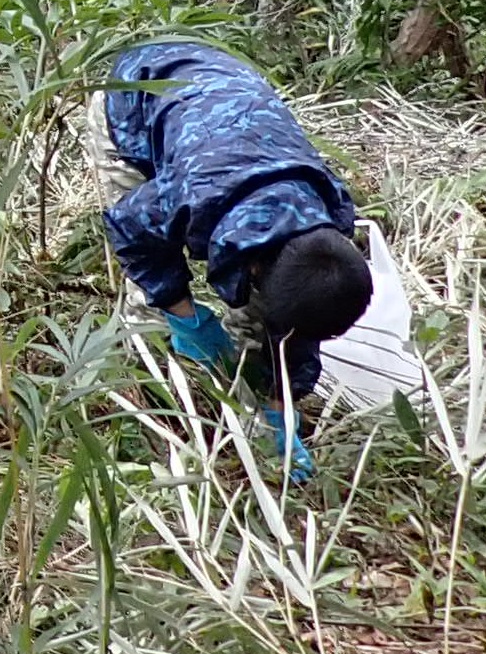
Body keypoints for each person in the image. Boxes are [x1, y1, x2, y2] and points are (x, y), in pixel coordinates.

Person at [89, 40, 373, 478]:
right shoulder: (191, 198)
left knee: (269, 319)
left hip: (226, 97)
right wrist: (184, 314)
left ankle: (251, 406)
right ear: (256, 267)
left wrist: (282, 406)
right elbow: (129, 230)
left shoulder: (330, 217)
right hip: (137, 96)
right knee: (149, 304)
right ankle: (147, 401)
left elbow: (301, 324)